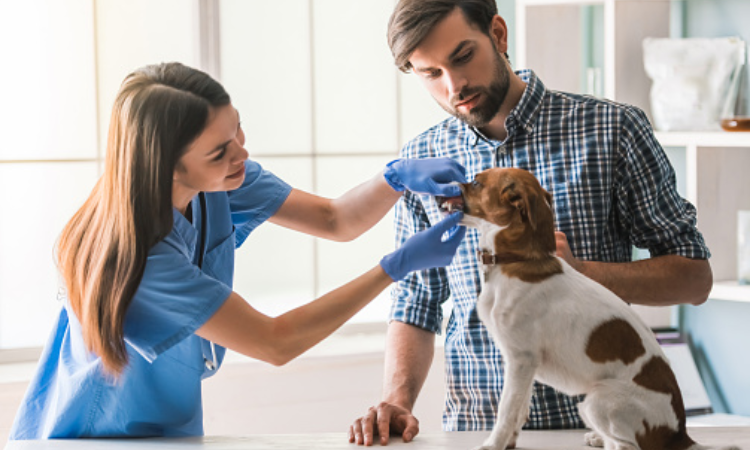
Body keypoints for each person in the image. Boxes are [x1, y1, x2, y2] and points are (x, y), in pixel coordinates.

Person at [9, 62, 469, 439]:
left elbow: (335, 219)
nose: (240, 155)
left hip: (169, 427)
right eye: (219, 151)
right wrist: (396, 267)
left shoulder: (219, 181)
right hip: (95, 434)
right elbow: (275, 342)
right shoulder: (138, 255)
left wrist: (393, 178)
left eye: (238, 132)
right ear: (167, 165)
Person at [349, 0, 713, 446]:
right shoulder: (420, 164)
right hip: (474, 429)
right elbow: (416, 300)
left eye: (463, 57)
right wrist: (397, 401)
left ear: (498, 34)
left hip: (597, 430)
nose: (454, 85)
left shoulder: (611, 130)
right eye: (431, 73)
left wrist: (583, 272)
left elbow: (695, 279)